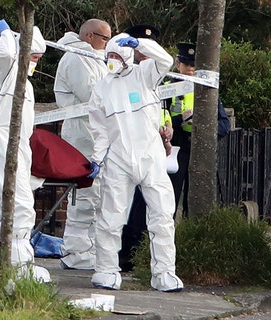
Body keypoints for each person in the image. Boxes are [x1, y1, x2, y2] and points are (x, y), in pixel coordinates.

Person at [87, 32, 183, 292]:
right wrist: (97, 159)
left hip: (150, 156)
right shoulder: (102, 88)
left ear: (128, 56)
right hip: (118, 158)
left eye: (117, 56)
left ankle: (164, 272)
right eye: (110, 56)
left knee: (162, 215)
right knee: (110, 216)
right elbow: (100, 130)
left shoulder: (144, 75)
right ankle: (106, 269)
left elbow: (165, 59)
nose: (112, 61)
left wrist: (142, 44)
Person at [0, 19, 50, 282]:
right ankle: (20, 266)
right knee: (20, 202)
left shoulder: (26, 86)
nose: (35, 63)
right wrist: (7, 33)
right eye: (32, 56)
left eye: (39, 58)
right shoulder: (0, 70)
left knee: (4, 201)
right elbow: (7, 53)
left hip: (18, 143)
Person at [53, 18, 111, 270]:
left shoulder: (96, 58)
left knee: (98, 197)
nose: (107, 43)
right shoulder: (76, 58)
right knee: (84, 196)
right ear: (89, 36)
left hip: (95, 133)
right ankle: (76, 252)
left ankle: (90, 250)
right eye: (104, 38)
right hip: (81, 133)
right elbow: (92, 94)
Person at [117, 24, 174, 272]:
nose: (143, 51)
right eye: (139, 44)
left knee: (160, 213)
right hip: (124, 152)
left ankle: (161, 268)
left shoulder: (153, 73)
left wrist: (165, 133)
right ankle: (119, 259)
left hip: (152, 152)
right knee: (118, 213)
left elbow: (158, 111)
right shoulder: (118, 75)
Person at [168, 43, 231, 219]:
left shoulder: (206, 91)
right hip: (174, 149)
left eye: (194, 65)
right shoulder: (167, 88)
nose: (190, 69)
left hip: (199, 150)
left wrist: (205, 127)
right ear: (178, 64)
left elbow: (224, 125)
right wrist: (180, 119)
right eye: (187, 64)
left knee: (196, 202)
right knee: (168, 201)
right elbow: (156, 120)